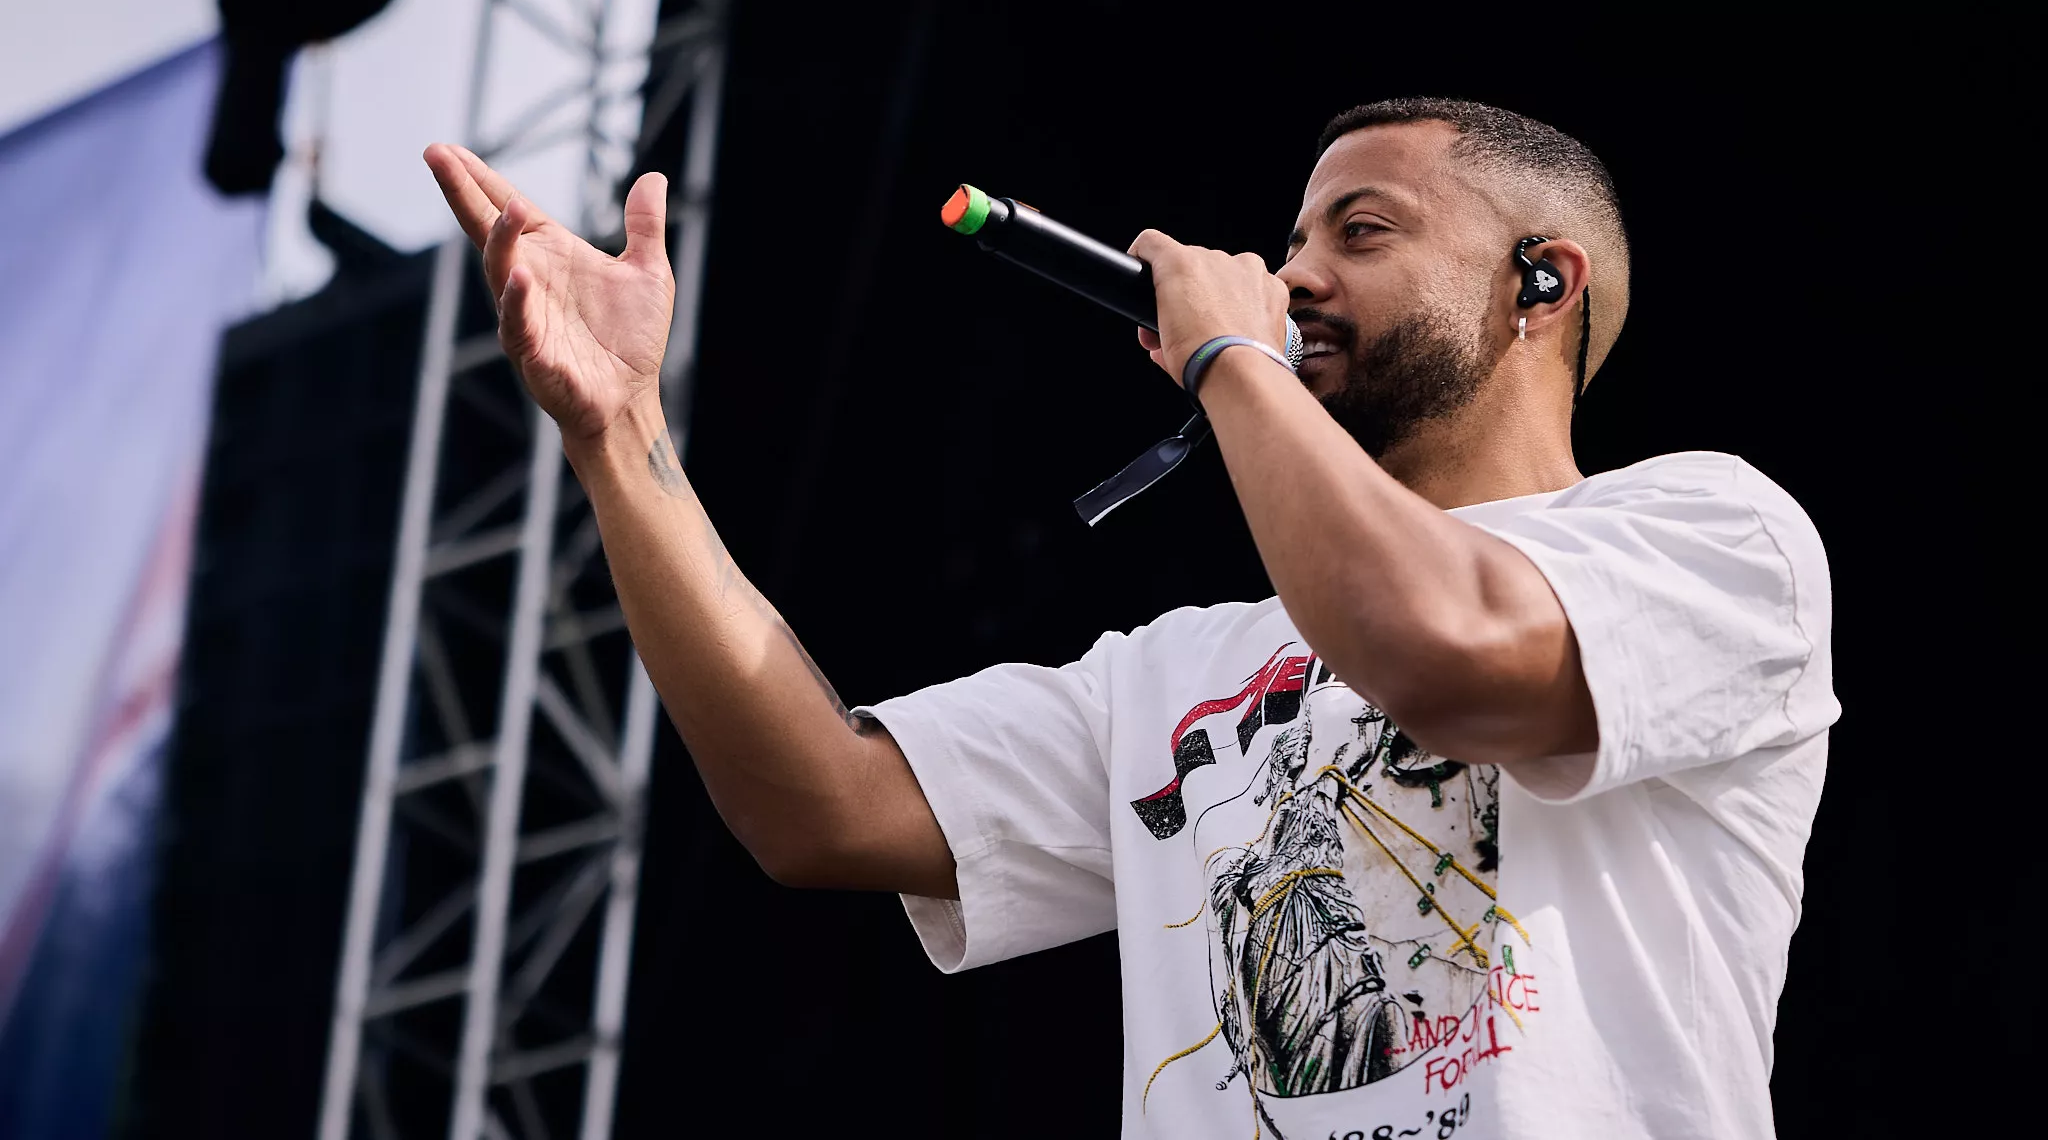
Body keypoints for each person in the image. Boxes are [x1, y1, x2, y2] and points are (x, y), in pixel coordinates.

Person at [424, 97, 1835, 1140]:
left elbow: (1446, 653)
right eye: (1291, 241)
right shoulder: (1179, 672)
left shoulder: (1713, 535)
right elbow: (819, 806)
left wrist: (1228, 353)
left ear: (1543, 284)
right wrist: (619, 434)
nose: (1296, 278)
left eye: (1362, 232)